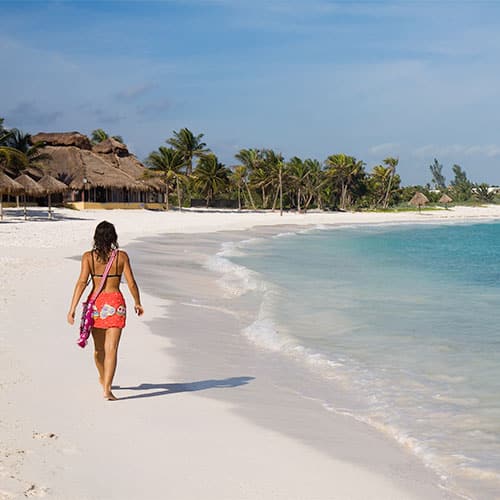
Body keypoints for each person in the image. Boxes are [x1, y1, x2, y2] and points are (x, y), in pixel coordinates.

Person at [67, 221, 144, 400]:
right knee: (112, 349)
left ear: (96, 237)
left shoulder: (88, 257)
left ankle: (103, 378)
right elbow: (131, 283)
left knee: (98, 350)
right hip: (116, 303)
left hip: (96, 304)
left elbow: (81, 282)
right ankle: (107, 388)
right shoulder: (121, 257)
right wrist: (137, 302)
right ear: (113, 237)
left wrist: (72, 308)